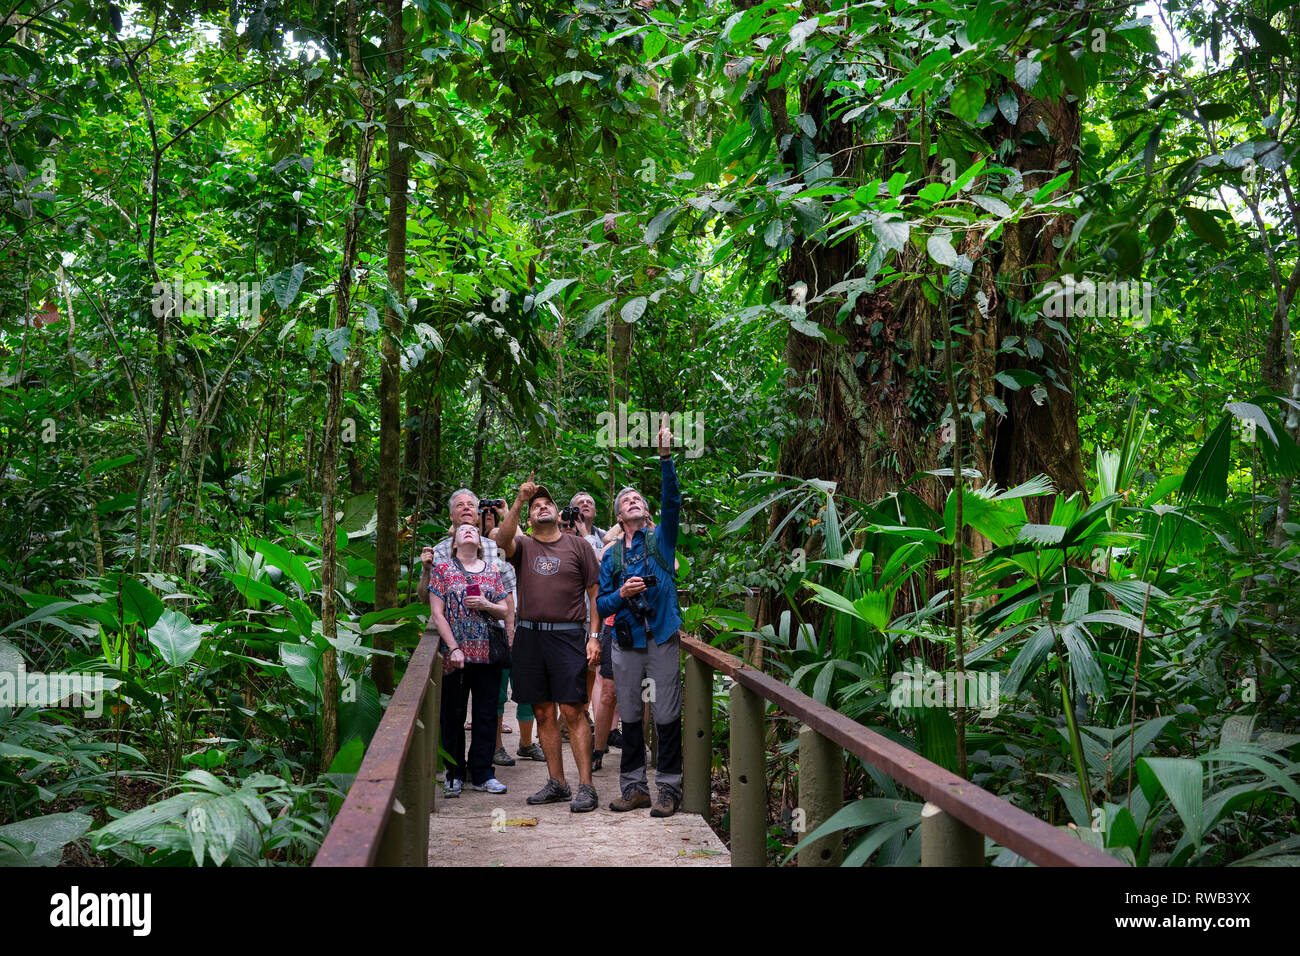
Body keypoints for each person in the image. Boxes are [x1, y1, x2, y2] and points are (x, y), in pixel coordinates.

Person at [497, 476, 602, 812]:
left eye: (547, 504)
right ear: (529, 519)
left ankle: (586, 787)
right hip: (529, 636)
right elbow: (502, 540)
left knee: (573, 710)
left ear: (558, 514)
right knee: (542, 711)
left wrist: (595, 636)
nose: (541, 507)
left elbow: (595, 593)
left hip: (568, 635)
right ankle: (557, 782)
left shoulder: (579, 547)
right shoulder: (524, 544)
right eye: (535, 507)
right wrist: (518, 500)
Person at [597, 416, 684, 817]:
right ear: (618, 517)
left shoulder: (661, 542)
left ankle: (669, 789)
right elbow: (601, 606)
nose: (632, 502)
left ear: (646, 514)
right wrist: (622, 593)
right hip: (627, 641)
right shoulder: (612, 555)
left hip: (662, 636)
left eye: (638, 500)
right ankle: (634, 788)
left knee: (666, 714)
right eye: (625, 501)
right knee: (630, 716)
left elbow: (672, 502)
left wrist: (665, 456)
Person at [428, 522, 512, 797]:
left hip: (488, 653)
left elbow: (503, 610)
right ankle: (453, 773)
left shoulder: (492, 570)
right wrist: (453, 648)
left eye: (473, 530)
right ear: (453, 544)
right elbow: (437, 613)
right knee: (452, 714)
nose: (468, 531)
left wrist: (486, 605)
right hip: (456, 656)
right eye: (462, 530)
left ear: (479, 542)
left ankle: (483, 773)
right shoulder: (442, 570)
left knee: (486, 714)